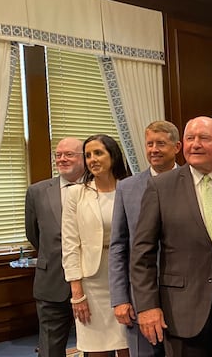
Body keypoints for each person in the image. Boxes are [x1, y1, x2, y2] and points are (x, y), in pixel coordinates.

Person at [131, 117, 212, 357]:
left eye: (204, 138)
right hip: (180, 312)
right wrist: (147, 307)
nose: (195, 144)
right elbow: (142, 253)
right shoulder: (160, 187)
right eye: (189, 138)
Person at [109, 121, 181, 357]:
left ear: (177, 147)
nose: (154, 150)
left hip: (185, 299)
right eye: (149, 144)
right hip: (138, 298)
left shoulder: (193, 183)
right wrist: (120, 298)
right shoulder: (127, 188)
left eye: (161, 143)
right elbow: (119, 246)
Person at [62, 134, 131, 357]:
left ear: (113, 156)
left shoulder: (130, 189)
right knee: (95, 346)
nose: (93, 159)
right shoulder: (75, 194)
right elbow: (70, 244)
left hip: (127, 277)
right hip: (91, 282)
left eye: (98, 153)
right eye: (88, 155)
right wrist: (76, 293)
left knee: (128, 343)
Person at [25, 137, 85, 357]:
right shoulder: (36, 192)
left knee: (97, 346)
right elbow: (34, 235)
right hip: (51, 281)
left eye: (69, 154)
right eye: (58, 154)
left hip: (92, 281)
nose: (62, 159)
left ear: (84, 158)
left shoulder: (98, 187)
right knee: (50, 348)